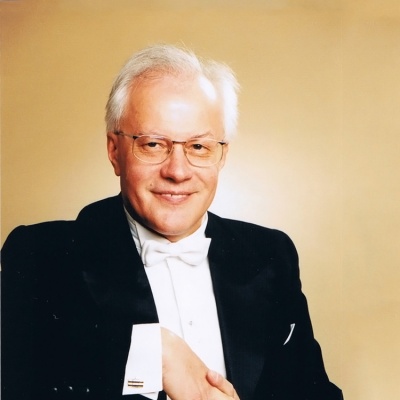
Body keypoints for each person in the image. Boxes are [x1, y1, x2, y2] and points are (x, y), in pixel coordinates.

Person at [1, 44, 343, 400]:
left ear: (222, 155)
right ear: (115, 152)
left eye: (198, 147)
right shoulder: (42, 255)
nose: (177, 171)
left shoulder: (271, 254)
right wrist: (154, 355)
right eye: (153, 144)